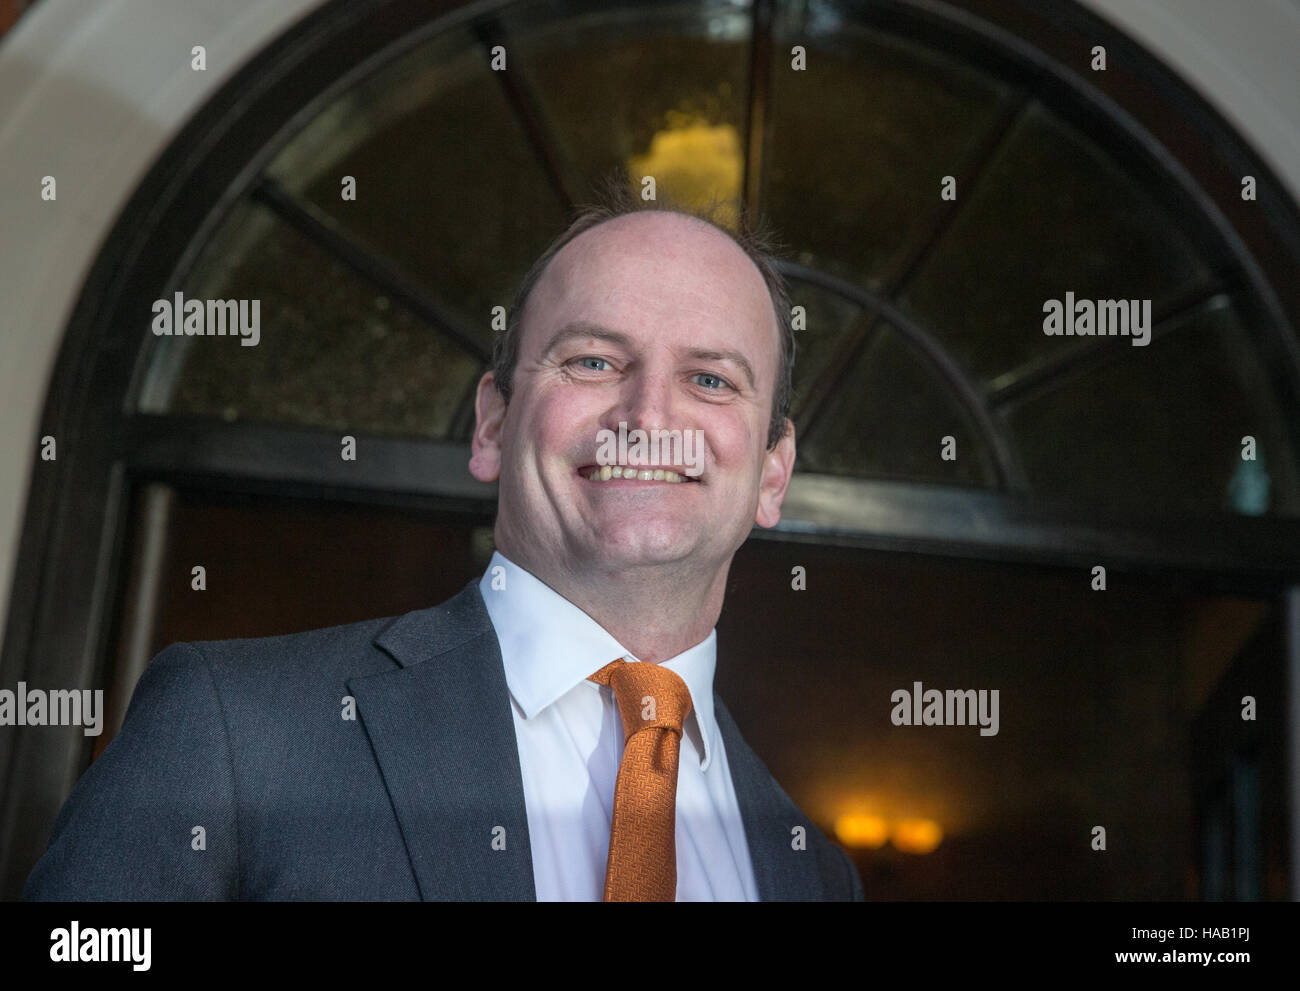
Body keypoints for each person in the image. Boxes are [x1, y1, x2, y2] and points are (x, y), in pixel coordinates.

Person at [25, 186, 864, 901]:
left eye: (710, 379)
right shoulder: (232, 732)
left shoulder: (816, 874)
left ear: (772, 473)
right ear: (493, 424)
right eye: (594, 362)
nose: (648, 417)